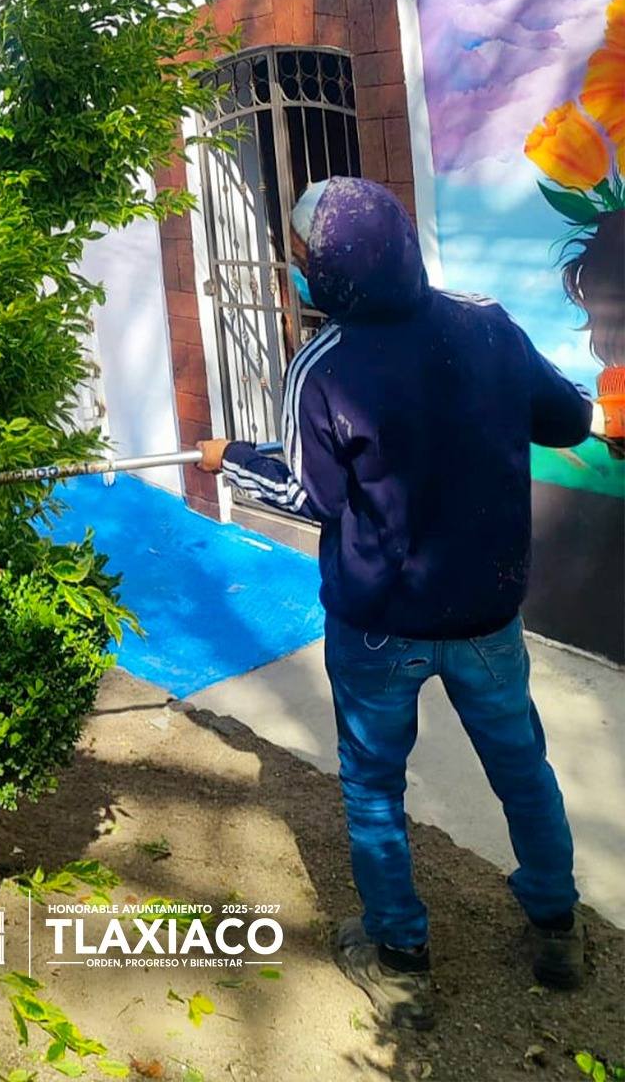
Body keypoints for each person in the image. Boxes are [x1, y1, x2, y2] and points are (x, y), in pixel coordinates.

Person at [196, 176, 609, 1031]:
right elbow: (568, 420)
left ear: (330, 271)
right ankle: (556, 928)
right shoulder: (487, 323)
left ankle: (402, 960)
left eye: (301, 257)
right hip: (487, 613)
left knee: (376, 788)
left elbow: (310, 496)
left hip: (379, 627)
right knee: (522, 770)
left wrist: (229, 456)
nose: (298, 270)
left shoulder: (322, 366)